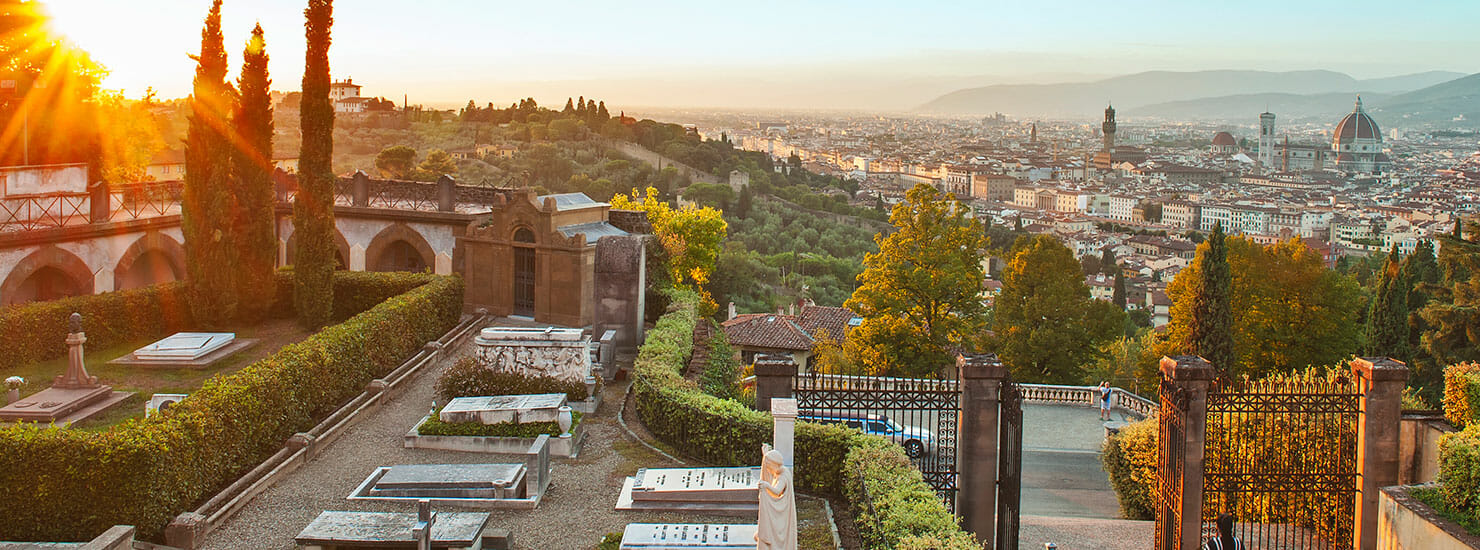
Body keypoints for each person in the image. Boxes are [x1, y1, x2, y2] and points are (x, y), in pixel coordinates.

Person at [757, 446, 797, 550]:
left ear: (774, 464)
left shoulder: (783, 476)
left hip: (782, 514)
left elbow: (777, 491)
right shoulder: (780, 471)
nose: (769, 471)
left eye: (769, 467)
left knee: (773, 534)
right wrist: (765, 455)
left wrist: (766, 486)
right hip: (781, 512)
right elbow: (768, 476)